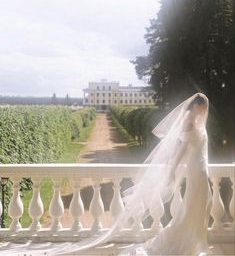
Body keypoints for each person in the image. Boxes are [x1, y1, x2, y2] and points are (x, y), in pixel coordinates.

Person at [0, 92, 213, 256]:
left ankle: (193, 241)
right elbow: (181, 150)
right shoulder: (189, 121)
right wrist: (173, 168)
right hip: (195, 170)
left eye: (204, 108)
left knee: (199, 205)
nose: (204, 110)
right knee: (192, 207)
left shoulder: (198, 122)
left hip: (200, 169)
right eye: (202, 107)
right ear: (194, 107)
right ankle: (181, 240)